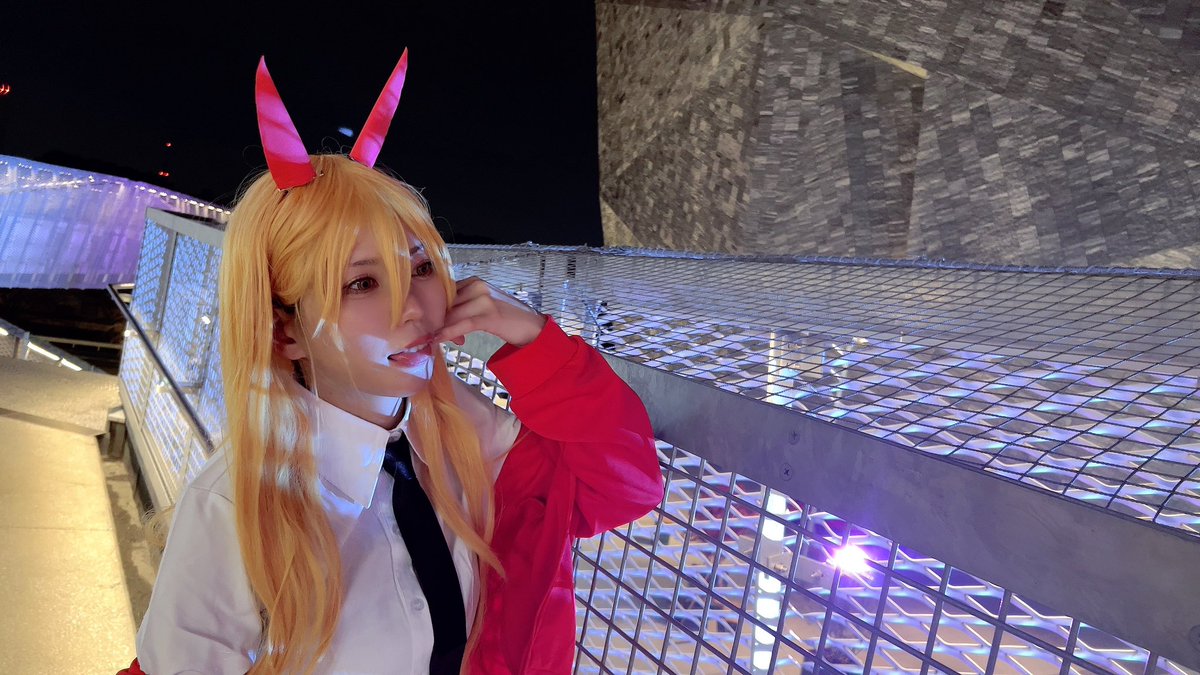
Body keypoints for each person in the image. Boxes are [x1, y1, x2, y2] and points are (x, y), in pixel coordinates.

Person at [118, 53, 663, 674]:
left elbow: (623, 486)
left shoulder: (465, 438)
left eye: (420, 267)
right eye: (361, 283)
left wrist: (533, 339)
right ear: (285, 330)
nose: (413, 306)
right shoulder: (238, 509)